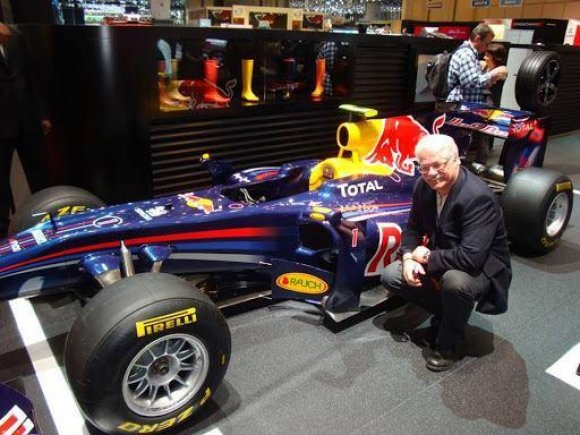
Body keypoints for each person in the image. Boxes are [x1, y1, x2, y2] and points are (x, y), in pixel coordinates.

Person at [381, 134, 511, 372]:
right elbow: (412, 229)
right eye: (424, 167)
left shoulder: (478, 197)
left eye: (437, 165)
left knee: (455, 282)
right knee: (392, 276)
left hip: (482, 268)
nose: (431, 173)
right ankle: (450, 314)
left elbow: (471, 259)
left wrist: (426, 257)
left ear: (456, 160)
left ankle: (451, 345)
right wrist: (408, 258)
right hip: (446, 256)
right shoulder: (423, 186)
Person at [0, 22, 51, 236]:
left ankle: (49, 219)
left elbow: (31, 77)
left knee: (41, 175)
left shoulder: (15, 36)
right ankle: (3, 233)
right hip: (1, 122)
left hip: (27, 117)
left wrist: (42, 114)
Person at [446, 24, 507, 165]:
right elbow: (470, 82)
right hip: (462, 106)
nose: (486, 47)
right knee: (459, 143)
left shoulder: (469, 53)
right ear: (478, 38)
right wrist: (493, 73)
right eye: (486, 43)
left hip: (466, 106)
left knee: (463, 143)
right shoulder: (467, 54)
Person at [482, 43, 508, 107]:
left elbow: (485, 83)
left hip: (491, 107)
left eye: (487, 55)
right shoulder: (483, 65)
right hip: (477, 103)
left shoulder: (502, 70)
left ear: (496, 57)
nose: (484, 57)